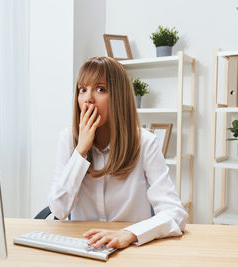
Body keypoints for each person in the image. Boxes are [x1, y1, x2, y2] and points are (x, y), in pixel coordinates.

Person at [48, 56, 188, 250]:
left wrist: (130, 234)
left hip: (130, 249)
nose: (88, 98)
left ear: (119, 96)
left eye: (100, 89)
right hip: (84, 248)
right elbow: (59, 210)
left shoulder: (145, 142)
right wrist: (81, 151)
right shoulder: (68, 140)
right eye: (82, 89)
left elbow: (175, 213)